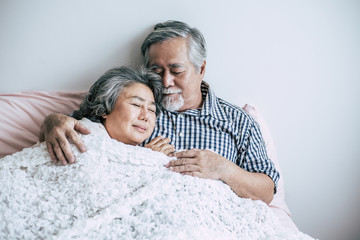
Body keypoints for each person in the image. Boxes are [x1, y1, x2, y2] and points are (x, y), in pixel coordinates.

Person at [40, 21, 279, 204]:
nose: (165, 81)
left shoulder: (239, 121)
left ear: (201, 68)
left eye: (176, 70)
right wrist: (52, 121)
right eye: (156, 70)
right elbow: (80, 132)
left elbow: (267, 192)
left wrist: (224, 169)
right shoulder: (135, 104)